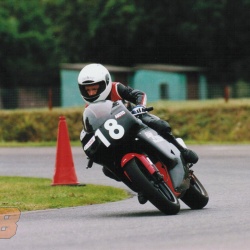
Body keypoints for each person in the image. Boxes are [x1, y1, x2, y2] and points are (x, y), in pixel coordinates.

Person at [78, 63, 198, 202]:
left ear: (105, 83)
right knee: (108, 170)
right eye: (88, 90)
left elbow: (139, 94)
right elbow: (91, 128)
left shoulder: (115, 88)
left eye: (95, 88)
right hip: (117, 137)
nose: (92, 93)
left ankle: (182, 150)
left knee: (159, 125)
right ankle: (142, 186)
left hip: (135, 119)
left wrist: (140, 107)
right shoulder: (89, 108)